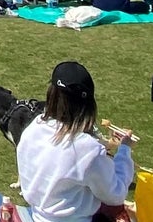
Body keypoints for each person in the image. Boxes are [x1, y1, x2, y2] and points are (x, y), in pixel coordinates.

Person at [16, 60, 134, 221]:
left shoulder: (33, 128)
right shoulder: (87, 149)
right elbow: (116, 194)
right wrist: (125, 150)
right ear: (87, 105)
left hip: (38, 216)